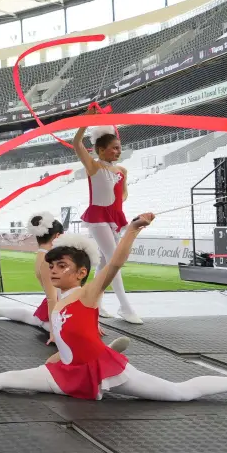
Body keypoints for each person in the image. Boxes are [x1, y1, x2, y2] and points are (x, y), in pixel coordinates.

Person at [0, 215, 227, 402]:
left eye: (60, 266)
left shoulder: (88, 293)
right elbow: (69, 338)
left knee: (179, 393)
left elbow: (114, 264)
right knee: (10, 379)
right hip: (67, 369)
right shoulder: (59, 300)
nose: (52, 270)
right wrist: (59, 356)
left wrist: (131, 231)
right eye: (51, 266)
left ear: (80, 273)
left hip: (103, 370)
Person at [73, 116, 141, 323]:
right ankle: (125, 307)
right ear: (100, 150)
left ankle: (96, 303)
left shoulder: (122, 171)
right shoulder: (93, 166)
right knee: (114, 260)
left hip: (113, 217)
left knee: (104, 262)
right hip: (97, 217)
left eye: (119, 148)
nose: (118, 151)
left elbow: (123, 195)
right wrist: (86, 119)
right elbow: (76, 143)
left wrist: (118, 204)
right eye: (114, 148)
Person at [0, 211, 64, 332]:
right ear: (57, 236)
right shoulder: (47, 260)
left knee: (32, 318)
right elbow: (52, 298)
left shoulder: (43, 256)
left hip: (59, 304)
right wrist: (54, 332)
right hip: (57, 306)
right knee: (35, 320)